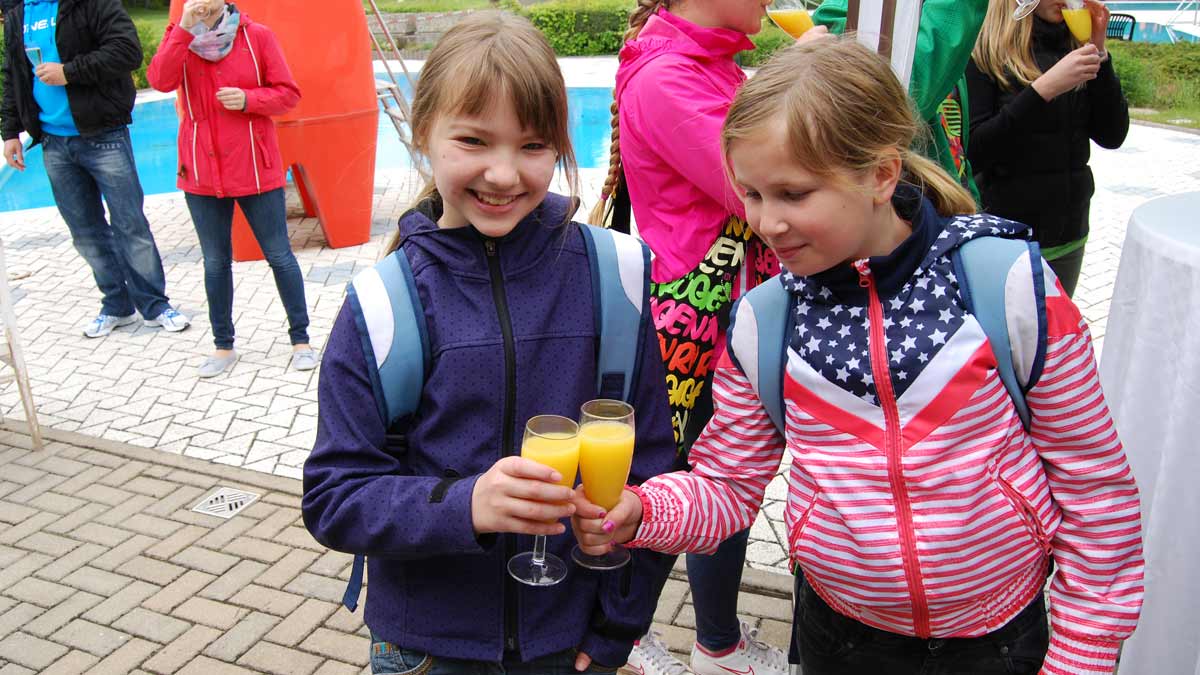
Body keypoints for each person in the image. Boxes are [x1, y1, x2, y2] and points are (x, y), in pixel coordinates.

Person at [574, 37, 1144, 675]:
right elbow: (727, 485)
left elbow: (1094, 489)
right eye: (753, 195)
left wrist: (1082, 654)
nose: (766, 222)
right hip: (839, 641)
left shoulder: (1004, 284)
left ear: (881, 174)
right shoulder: (765, 322)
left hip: (1001, 643)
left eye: (793, 195)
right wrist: (643, 510)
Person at [301, 13, 678, 675]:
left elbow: (651, 472)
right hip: (426, 649)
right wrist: (464, 504)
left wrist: (618, 625)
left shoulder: (613, 277)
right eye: (474, 141)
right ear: (422, 136)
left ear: (562, 145)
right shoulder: (385, 305)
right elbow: (335, 496)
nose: (503, 174)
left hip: (569, 643)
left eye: (533, 146)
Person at [590, 3, 797, 673]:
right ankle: (624, 628)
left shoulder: (716, 66)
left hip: (730, 318)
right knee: (675, 483)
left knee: (724, 483)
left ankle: (716, 640)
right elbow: (757, 189)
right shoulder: (669, 79)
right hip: (690, 329)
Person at [146, 0, 316, 377]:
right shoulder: (181, 38)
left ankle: (301, 340)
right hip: (201, 172)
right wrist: (184, 29)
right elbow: (159, 80)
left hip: (256, 169)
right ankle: (223, 347)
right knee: (215, 263)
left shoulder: (257, 37)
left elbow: (288, 93)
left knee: (279, 255)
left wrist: (249, 99)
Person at [1, 0, 190, 338]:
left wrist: (68, 72)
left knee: (130, 225)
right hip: (53, 143)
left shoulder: (91, 3)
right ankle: (117, 306)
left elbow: (126, 51)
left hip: (104, 135)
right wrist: (10, 132)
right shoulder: (18, 12)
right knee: (86, 233)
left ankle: (155, 305)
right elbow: (13, 74)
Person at [966, 0, 1128, 297]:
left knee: (1059, 341)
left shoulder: (1075, 46)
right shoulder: (985, 51)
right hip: (1005, 240)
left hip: (1068, 236)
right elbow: (975, 151)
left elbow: (1112, 135)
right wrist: (1043, 90)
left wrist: (1099, 53)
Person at [812, 0, 988, 202]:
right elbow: (897, 102)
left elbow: (956, 148)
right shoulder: (848, 16)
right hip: (908, 216)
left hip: (951, 210)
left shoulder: (922, 10)